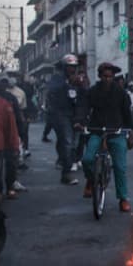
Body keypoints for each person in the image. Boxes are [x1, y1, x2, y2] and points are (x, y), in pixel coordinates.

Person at [77, 62, 133, 212]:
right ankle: (91, 180)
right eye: (105, 76)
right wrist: (80, 122)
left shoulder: (121, 93)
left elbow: (127, 113)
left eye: (110, 76)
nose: (107, 79)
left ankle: (123, 198)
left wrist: (130, 131)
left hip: (116, 131)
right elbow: (84, 107)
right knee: (87, 159)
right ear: (100, 76)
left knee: (120, 167)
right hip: (96, 130)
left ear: (113, 77)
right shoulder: (93, 91)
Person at [46, 55, 83, 185]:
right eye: (69, 67)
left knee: (75, 142)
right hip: (61, 114)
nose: (72, 69)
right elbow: (52, 91)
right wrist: (67, 84)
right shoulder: (57, 79)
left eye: (74, 67)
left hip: (75, 114)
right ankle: (66, 173)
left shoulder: (79, 79)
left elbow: (83, 95)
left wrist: (81, 85)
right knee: (67, 141)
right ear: (64, 67)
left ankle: (67, 160)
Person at [0, 77, 28, 195]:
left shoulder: (11, 98)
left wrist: (21, 134)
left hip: (10, 133)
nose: (3, 85)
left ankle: (10, 185)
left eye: (5, 82)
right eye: (1, 82)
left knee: (11, 161)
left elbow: (18, 116)